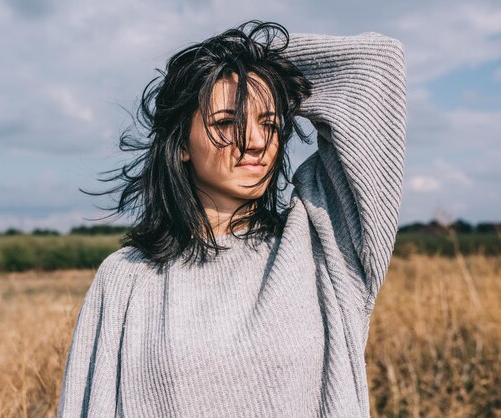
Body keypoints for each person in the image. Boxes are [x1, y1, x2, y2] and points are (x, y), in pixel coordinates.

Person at [57, 20, 407, 417]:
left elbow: (377, 66)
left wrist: (251, 64)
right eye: (226, 122)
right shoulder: (126, 278)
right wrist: (211, 72)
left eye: (270, 123)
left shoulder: (322, 245)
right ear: (181, 144)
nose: (256, 142)